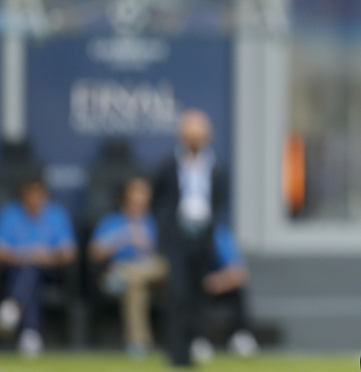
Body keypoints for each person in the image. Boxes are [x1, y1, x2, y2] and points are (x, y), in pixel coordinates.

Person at [152, 109, 229, 366]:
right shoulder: (167, 165)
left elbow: (218, 201)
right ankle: (176, 353)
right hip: (177, 237)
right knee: (178, 293)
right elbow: (158, 201)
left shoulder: (216, 166)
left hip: (202, 237)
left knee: (198, 294)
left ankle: (194, 343)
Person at [88, 175, 168, 357]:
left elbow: (170, 253)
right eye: (138, 191)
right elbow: (94, 253)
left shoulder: (157, 221)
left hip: (158, 272)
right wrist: (123, 239)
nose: (143, 196)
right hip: (130, 272)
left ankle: (123, 275)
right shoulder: (111, 221)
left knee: (162, 265)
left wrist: (147, 244)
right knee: (135, 288)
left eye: (146, 192)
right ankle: (139, 343)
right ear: (126, 196)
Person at [0, 176, 77, 357]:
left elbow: (69, 252)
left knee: (32, 268)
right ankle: (31, 333)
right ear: (22, 195)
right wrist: (22, 255)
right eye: (29, 194)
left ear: (44, 195)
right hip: (15, 267)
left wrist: (48, 256)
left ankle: (13, 305)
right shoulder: (10, 213)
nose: (34, 198)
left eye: (38, 194)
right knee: (29, 271)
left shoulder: (57, 214)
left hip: (51, 270)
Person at [203, 223, 259, 357]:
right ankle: (195, 338)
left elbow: (239, 273)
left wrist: (215, 282)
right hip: (196, 290)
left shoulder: (219, 236)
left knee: (237, 292)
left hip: (216, 287)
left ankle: (241, 336)